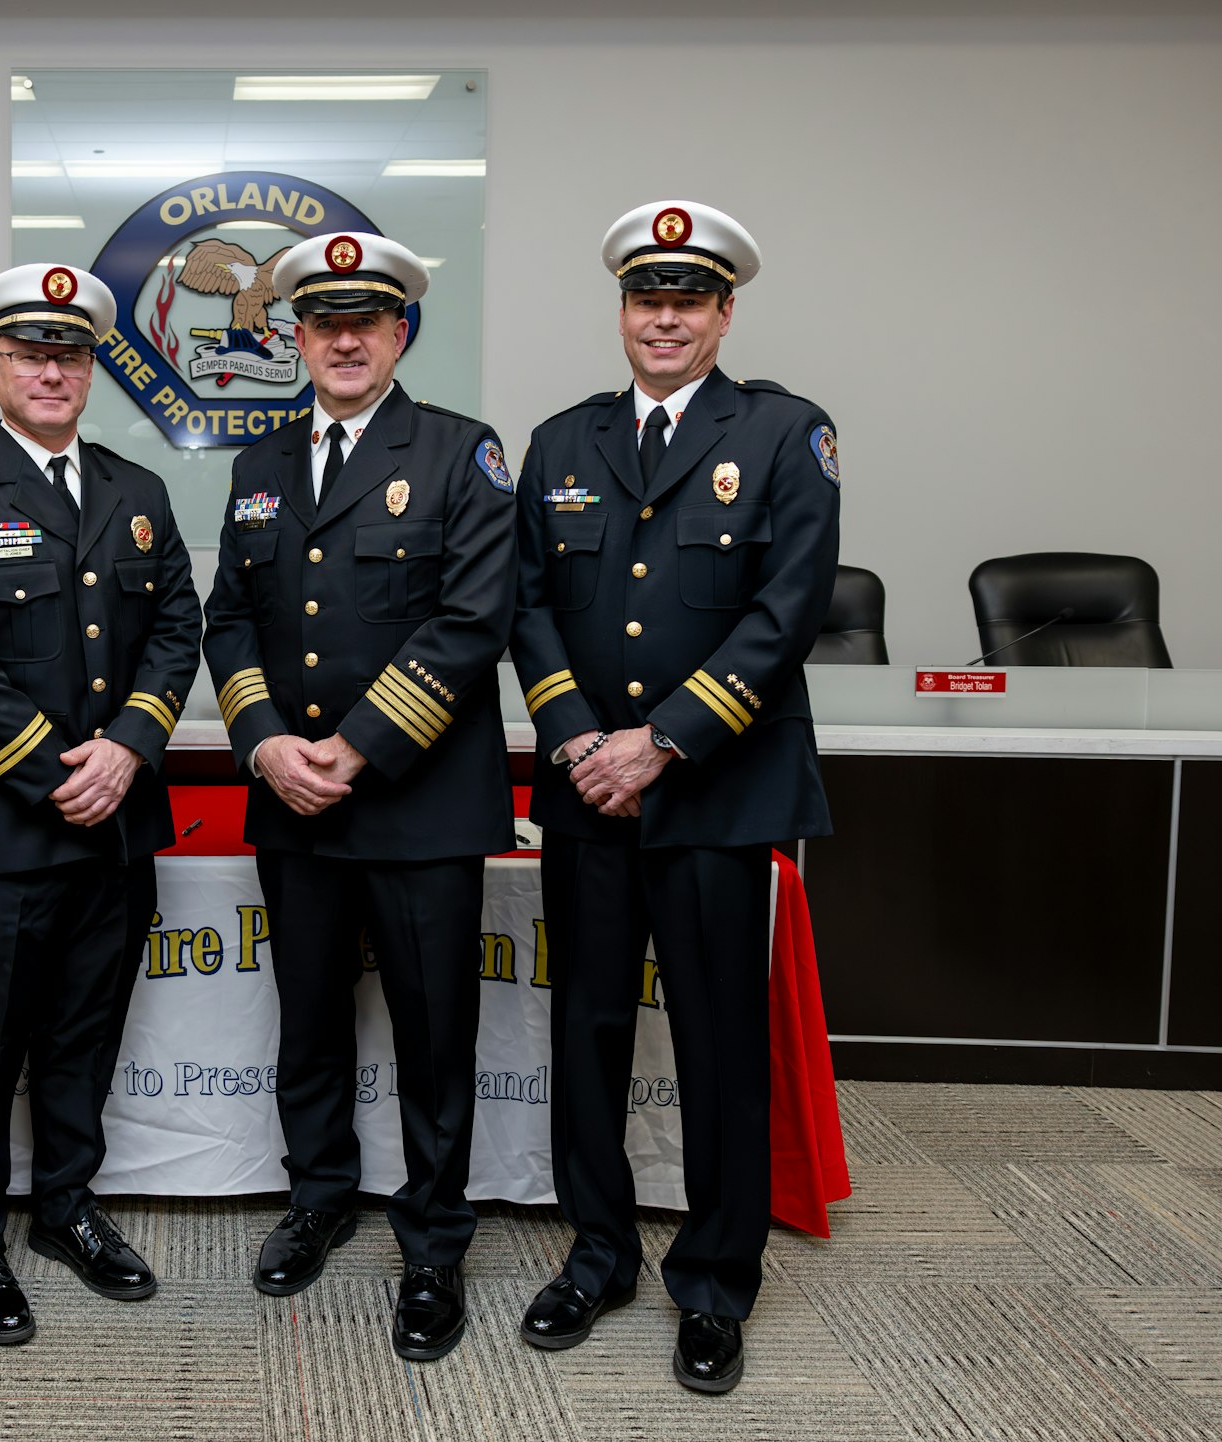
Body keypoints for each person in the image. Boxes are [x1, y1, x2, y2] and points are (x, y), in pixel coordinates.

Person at [510, 201, 841, 1393]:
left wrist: (660, 740)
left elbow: (784, 612)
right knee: (587, 1032)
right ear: (621, 310)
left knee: (715, 1045)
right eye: (646, 296)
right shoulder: (558, 441)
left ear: (722, 312)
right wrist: (573, 739)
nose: (664, 315)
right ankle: (596, 1253)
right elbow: (526, 606)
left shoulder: (785, 432)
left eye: (687, 298)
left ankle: (711, 1280)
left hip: (715, 794)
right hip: (588, 794)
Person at [201, 232, 517, 1361]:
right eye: (320, 320)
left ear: (398, 333)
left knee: (434, 1030)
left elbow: (472, 617)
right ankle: (319, 1193)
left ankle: (432, 1241)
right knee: (310, 1018)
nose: (341, 337)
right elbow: (226, 617)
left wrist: (357, 747)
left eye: (364, 320)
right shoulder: (259, 465)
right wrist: (264, 741)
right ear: (294, 334)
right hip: (291, 796)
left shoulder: (459, 453)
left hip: (416, 800)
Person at [0, 263, 202, 1346]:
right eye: (29, 353)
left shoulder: (137, 491)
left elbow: (176, 629)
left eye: (68, 354)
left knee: (84, 1032)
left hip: (114, 827)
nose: (50, 371)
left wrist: (127, 747)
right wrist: (55, 766)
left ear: (90, 370)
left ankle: (65, 1205)